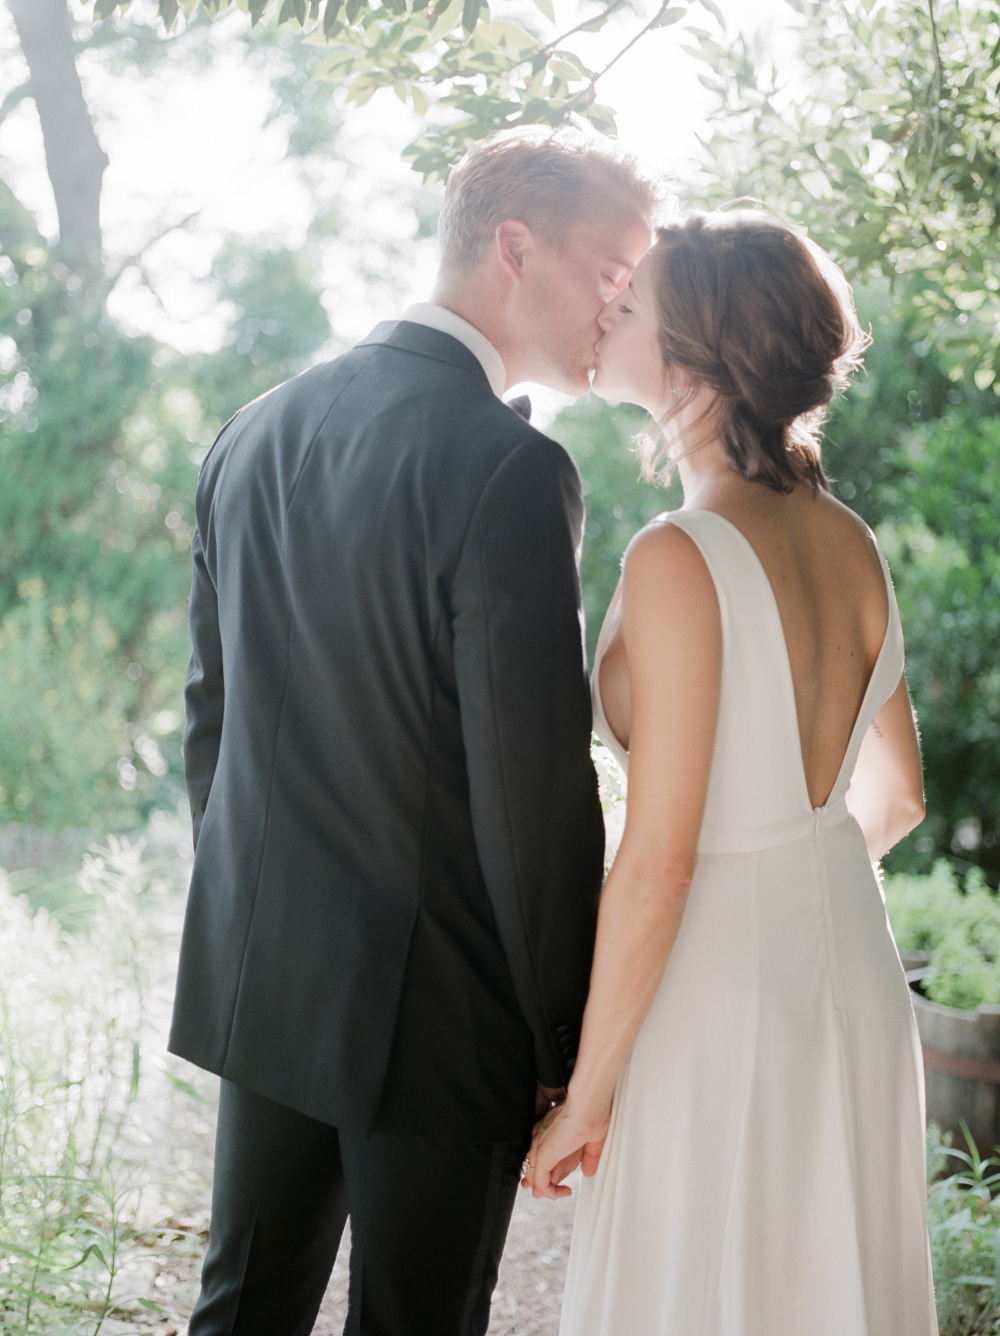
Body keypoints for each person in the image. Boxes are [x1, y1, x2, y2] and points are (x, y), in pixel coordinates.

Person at [169, 126, 654, 1336]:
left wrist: (255, 915)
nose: (623, 303)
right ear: (512, 246)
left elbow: (210, 724)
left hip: (268, 970)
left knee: (239, 1309)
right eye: (610, 269)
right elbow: (530, 787)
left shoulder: (252, 430)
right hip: (439, 1012)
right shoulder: (507, 468)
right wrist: (560, 1029)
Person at [522, 212, 938, 1335]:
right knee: (820, 1277)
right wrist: (793, 875)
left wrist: (586, 1097)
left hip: (714, 981)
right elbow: (895, 794)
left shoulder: (676, 555)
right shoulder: (848, 538)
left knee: (697, 1284)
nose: (607, 310)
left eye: (635, 302)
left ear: (700, 354)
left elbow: (658, 863)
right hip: (848, 964)